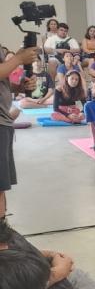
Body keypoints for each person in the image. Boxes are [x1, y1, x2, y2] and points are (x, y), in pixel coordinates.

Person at [0, 47, 36, 221]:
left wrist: (19, 86)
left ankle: (2, 230)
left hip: (4, 122)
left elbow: (3, 84)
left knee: (2, 185)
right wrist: (18, 59)